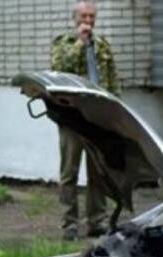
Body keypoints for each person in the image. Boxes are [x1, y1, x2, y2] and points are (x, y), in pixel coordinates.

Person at [50, 0, 120, 240]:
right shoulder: (63, 43)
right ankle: (69, 224)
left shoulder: (102, 45)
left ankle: (96, 221)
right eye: (84, 17)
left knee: (98, 173)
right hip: (72, 117)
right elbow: (60, 68)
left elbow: (112, 81)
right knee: (69, 172)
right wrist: (80, 42)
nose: (88, 22)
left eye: (92, 17)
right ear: (75, 19)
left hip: (98, 118)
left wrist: (115, 112)